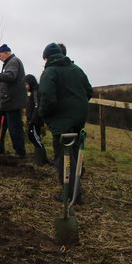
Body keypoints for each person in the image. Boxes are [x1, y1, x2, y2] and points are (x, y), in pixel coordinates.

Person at [38, 43, 93, 203]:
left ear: (46, 57)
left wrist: (43, 114)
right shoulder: (76, 69)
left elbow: (47, 97)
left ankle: (70, 194)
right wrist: (76, 106)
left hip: (61, 122)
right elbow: (89, 91)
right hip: (79, 118)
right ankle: (76, 189)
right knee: (74, 152)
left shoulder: (50, 72)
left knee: (63, 156)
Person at [0, 44, 27, 158]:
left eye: (0, 55)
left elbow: (10, 76)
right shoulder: (8, 63)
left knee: (15, 128)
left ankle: (20, 152)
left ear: (7, 53)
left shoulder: (13, 61)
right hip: (5, 102)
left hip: (12, 103)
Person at [24, 74, 50, 166]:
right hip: (34, 119)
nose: (26, 86)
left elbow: (36, 106)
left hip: (35, 121)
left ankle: (39, 161)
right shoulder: (35, 91)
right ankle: (43, 158)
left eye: (26, 84)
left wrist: (32, 120)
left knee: (34, 137)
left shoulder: (36, 93)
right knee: (36, 137)